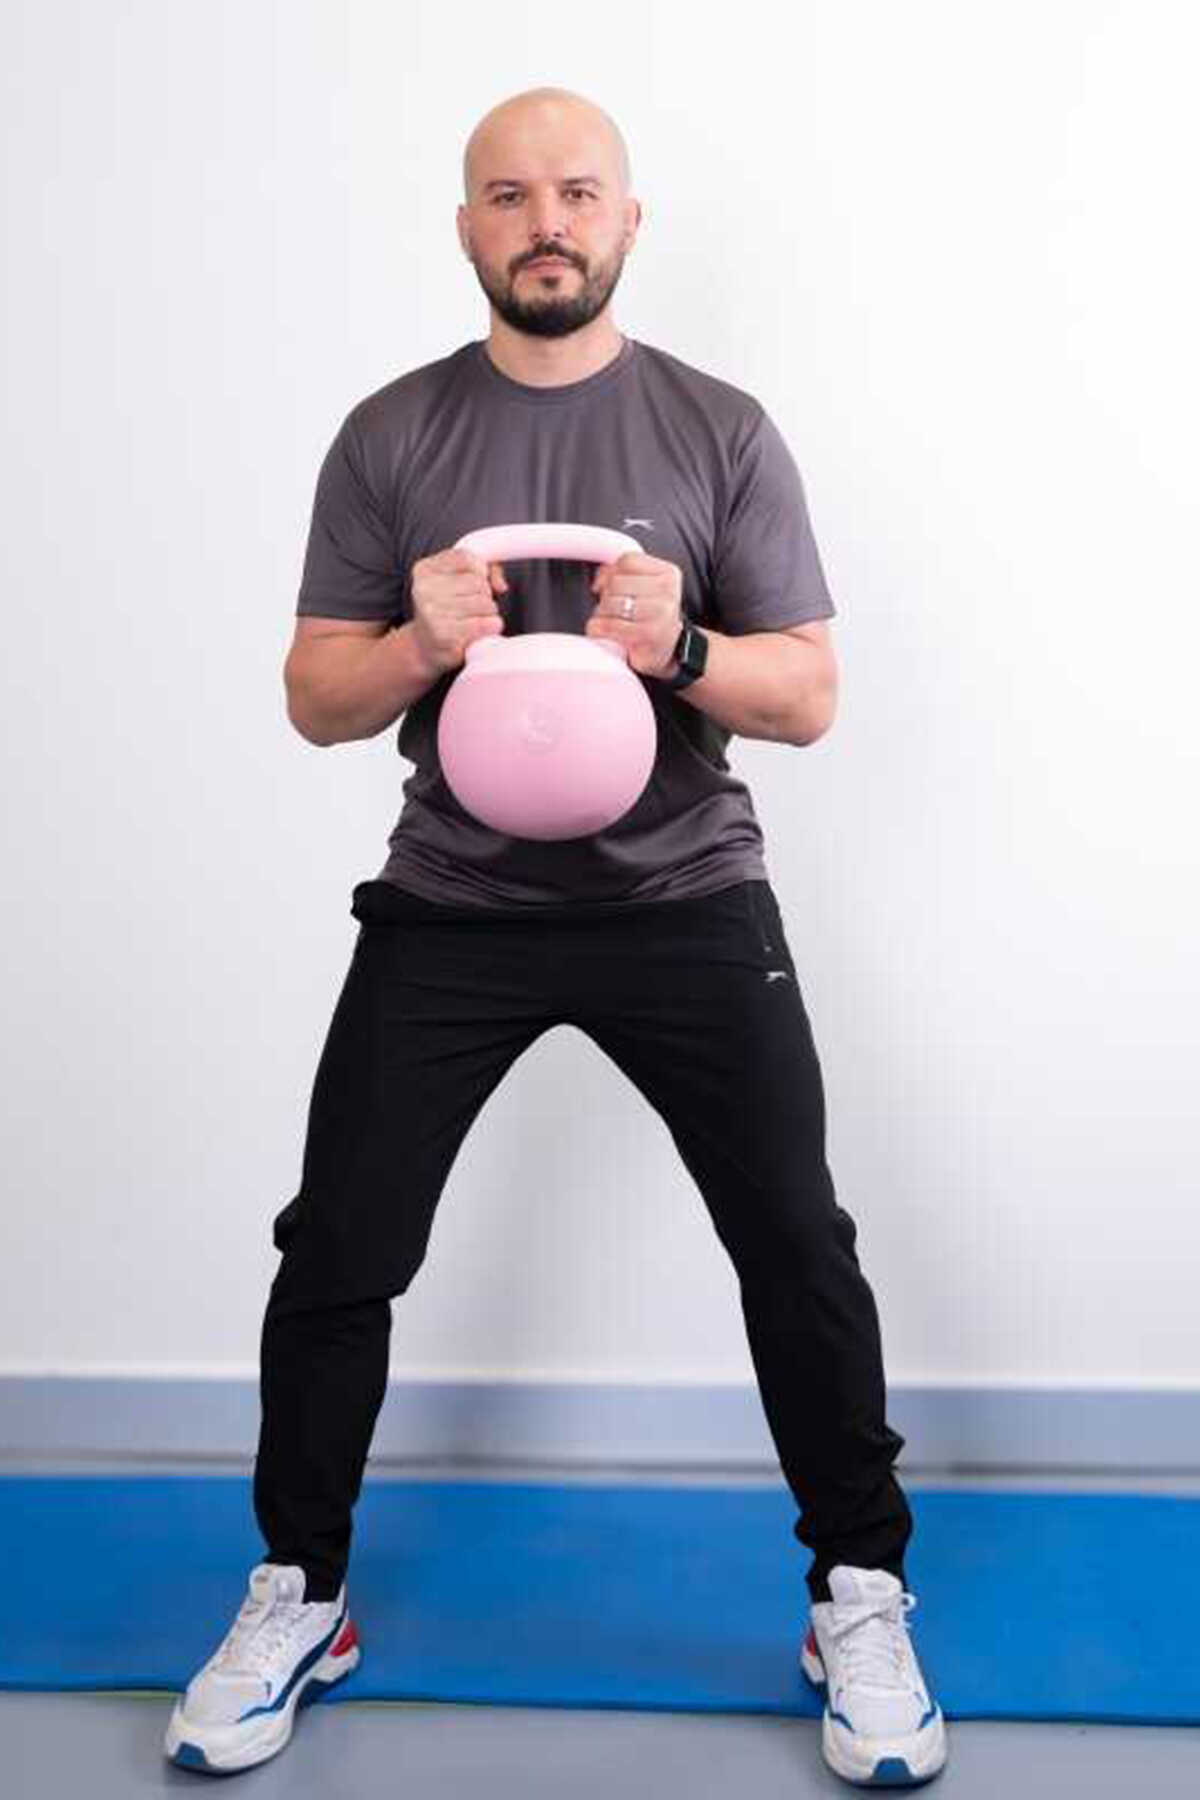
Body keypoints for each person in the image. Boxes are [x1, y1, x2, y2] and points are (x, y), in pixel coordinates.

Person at [165, 87, 948, 1786]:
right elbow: (315, 697)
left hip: (685, 897)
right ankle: (301, 1592)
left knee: (796, 1242)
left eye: (578, 192)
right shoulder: (390, 436)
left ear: (627, 221)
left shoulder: (721, 430)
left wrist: (683, 652)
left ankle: (859, 1590)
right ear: (468, 227)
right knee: (340, 1245)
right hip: (455, 904)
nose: (547, 223)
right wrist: (415, 643)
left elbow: (810, 693)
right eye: (511, 195)